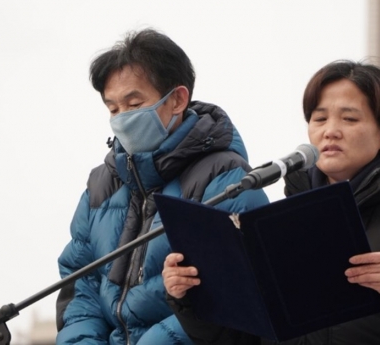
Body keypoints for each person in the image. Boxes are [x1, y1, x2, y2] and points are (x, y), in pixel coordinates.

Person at [162, 60, 380, 345]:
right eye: (319, 119)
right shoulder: (279, 222)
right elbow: (242, 338)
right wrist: (190, 299)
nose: (330, 131)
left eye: (349, 119)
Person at [55, 28, 269, 345]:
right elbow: (80, 287)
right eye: (113, 109)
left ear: (177, 99)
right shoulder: (101, 185)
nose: (122, 118)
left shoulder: (226, 179)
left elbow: (234, 298)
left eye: (134, 103)